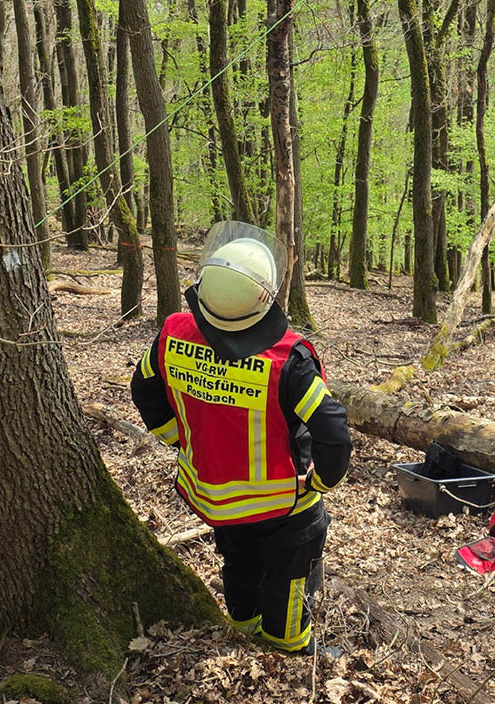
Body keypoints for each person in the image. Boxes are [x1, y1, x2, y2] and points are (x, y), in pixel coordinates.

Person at [131, 221, 352, 655]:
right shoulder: (288, 360)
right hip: (284, 502)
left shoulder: (173, 334)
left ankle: (243, 628)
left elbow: (144, 389)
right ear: (265, 297)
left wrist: (181, 440)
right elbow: (334, 432)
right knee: (290, 576)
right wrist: (321, 481)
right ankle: (288, 646)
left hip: (216, 495)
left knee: (238, 562)